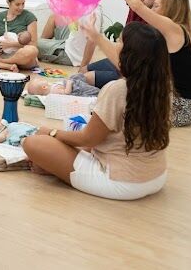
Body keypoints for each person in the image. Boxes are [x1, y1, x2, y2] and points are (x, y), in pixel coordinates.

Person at [22, 22, 171, 200]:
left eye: (119, 41)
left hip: (122, 182)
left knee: (33, 142)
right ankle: (55, 165)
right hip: (156, 176)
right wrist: (95, 36)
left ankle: (54, 168)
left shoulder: (118, 89)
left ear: (129, 53)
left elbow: (88, 139)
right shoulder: (162, 88)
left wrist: (51, 132)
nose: (115, 46)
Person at [87, 0, 191, 126]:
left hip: (177, 109)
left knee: (117, 91)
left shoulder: (173, 29)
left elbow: (137, 5)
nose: (151, 9)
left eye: (156, 6)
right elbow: (127, 67)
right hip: (172, 101)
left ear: (169, 9)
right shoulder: (169, 33)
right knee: (119, 86)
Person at [26, 75, 99, 97]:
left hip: (74, 86)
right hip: (76, 89)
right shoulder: (54, 91)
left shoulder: (50, 88)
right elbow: (66, 92)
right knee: (91, 91)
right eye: (40, 80)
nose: (41, 79)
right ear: (44, 87)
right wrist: (69, 83)